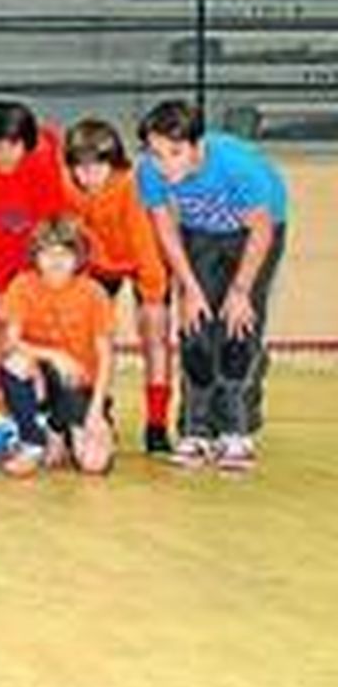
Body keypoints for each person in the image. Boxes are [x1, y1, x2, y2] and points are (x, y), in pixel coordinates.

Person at [137, 99, 287, 470]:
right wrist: (189, 288)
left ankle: (236, 430)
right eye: (156, 153)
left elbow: (262, 230)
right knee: (196, 329)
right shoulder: (150, 172)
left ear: (197, 146)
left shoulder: (238, 168)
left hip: (252, 234)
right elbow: (166, 230)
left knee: (238, 326)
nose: (164, 164)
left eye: (175, 153)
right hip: (200, 233)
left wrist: (239, 292)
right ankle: (197, 429)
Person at [62, 118, 174, 454]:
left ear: (113, 164)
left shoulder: (130, 186)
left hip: (146, 260)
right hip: (99, 264)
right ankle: (98, 406)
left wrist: (153, 296)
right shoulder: (67, 187)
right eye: (79, 168)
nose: (88, 176)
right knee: (93, 337)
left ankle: (156, 425)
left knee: (154, 334)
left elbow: (143, 243)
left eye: (97, 167)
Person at [0, 217, 117, 478]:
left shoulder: (94, 292)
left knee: (93, 464)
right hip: (42, 379)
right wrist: (55, 355)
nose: (56, 261)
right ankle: (33, 440)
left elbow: (106, 357)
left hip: (80, 386)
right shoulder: (23, 285)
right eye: (47, 252)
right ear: (35, 256)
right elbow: (9, 341)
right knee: (15, 362)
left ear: (79, 257)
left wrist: (96, 412)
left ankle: (58, 428)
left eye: (64, 253)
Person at [0, 100, 68, 294]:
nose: (4, 154)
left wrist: (34, 280)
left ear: (27, 144)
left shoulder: (44, 167)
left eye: (13, 145)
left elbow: (52, 229)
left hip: (38, 267)